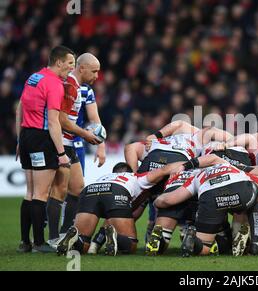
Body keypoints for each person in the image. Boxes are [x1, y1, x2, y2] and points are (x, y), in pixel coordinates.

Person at [154, 158, 258, 257]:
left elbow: (168, 200)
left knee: (205, 248)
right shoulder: (231, 167)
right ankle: (256, 242)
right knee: (257, 191)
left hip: (212, 198)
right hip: (240, 191)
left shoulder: (197, 176)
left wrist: (156, 202)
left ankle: (192, 240)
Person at [16, 45, 75, 253]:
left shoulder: (34, 78)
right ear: (59, 62)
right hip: (41, 139)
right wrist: (61, 154)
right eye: (70, 64)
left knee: (30, 192)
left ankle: (25, 242)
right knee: (40, 194)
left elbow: (20, 108)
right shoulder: (55, 84)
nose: (71, 69)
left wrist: (18, 140)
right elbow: (53, 122)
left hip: (26, 135)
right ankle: (40, 244)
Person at [56, 161, 184, 256]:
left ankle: (74, 239)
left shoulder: (105, 176)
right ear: (130, 172)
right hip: (116, 190)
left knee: (83, 244)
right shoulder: (135, 177)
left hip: (89, 190)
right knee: (131, 244)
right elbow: (164, 170)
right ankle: (116, 237)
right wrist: (190, 162)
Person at [47, 53, 102, 247]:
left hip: (69, 142)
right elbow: (61, 119)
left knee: (78, 189)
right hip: (60, 142)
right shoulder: (69, 86)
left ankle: (63, 233)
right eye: (94, 71)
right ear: (82, 68)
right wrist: (85, 134)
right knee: (58, 190)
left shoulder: (77, 87)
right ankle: (53, 238)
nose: (97, 76)